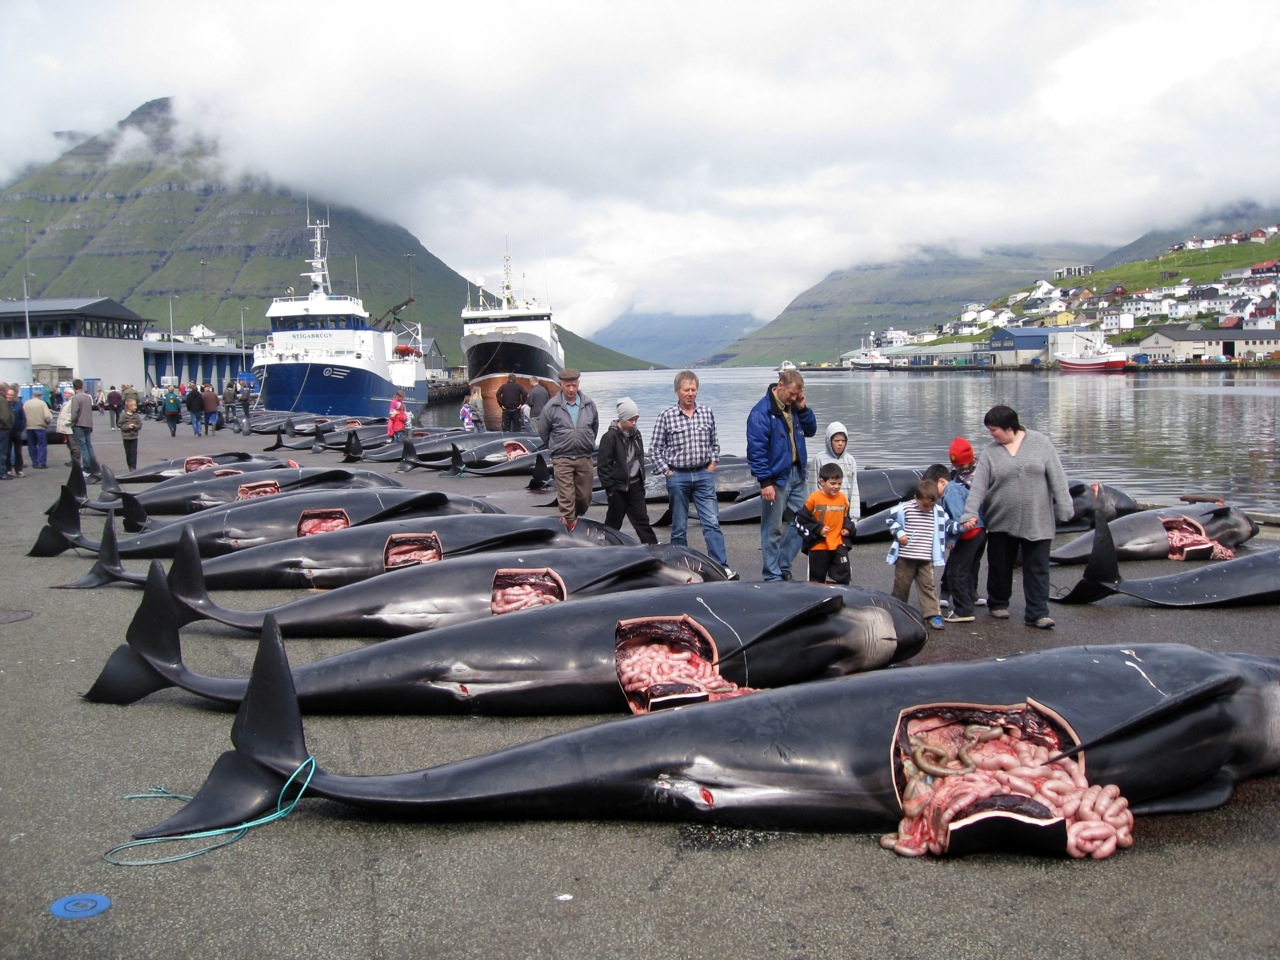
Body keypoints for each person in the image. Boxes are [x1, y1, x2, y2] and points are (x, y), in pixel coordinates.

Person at [960, 404, 1072, 630]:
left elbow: (1057, 477)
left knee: (1037, 566)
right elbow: (979, 487)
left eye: (993, 430)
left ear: (1008, 427)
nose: (990, 434)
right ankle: (998, 602)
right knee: (1000, 565)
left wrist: (1065, 506)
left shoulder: (1041, 443)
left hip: (1038, 518)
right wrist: (970, 513)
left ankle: (1038, 613)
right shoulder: (991, 453)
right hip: (1001, 519)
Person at [649, 370, 734, 578]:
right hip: (678, 476)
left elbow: (714, 442)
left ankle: (721, 566)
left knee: (712, 522)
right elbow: (654, 449)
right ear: (677, 391)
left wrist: (713, 462)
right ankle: (680, 568)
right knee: (679, 525)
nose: (690, 393)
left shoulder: (707, 412)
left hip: (704, 474)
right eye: (686, 390)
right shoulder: (666, 416)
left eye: (694, 389)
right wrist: (667, 471)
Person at [746, 368, 817, 581]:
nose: (794, 398)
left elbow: (811, 430)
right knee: (772, 528)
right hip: (776, 478)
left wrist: (803, 409)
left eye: (798, 395)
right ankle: (772, 575)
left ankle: (783, 564)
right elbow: (756, 450)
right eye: (792, 394)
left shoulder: (795, 407)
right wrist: (764, 481)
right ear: (780, 386)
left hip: (797, 473)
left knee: (807, 520)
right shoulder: (761, 412)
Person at [886, 479, 955, 630]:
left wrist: (961, 526)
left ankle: (932, 615)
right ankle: (897, 611)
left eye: (931, 505)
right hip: (906, 556)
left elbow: (949, 524)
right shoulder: (905, 508)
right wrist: (900, 532)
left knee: (928, 585)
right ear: (916, 498)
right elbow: (890, 519)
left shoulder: (937, 511)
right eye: (925, 505)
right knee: (901, 585)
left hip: (925, 557)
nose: (928, 508)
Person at [536, 368, 598, 531]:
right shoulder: (551, 407)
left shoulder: (589, 405)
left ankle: (576, 518)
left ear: (578, 384)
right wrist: (556, 446)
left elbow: (594, 427)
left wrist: (586, 441)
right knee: (566, 497)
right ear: (561, 385)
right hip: (562, 458)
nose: (571, 389)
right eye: (567, 386)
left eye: (574, 385)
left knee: (584, 497)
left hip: (584, 457)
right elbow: (543, 432)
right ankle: (568, 527)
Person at [596, 397, 657, 544]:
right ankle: (605, 548)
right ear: (622, 418)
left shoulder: (636, 434)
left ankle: (653, 548)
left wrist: (641, 478)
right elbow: (603, 465)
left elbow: (639, 456)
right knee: (613, 522)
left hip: (635, 485)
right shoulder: (609, 437)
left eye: (636, 419)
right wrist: (610, 488)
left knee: (642, 520)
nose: (634, 423)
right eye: (631, 420)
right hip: (618, 487)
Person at [940, 438, 987, 623]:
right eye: (956, 465)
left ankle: (966, 602)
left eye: (962, 464)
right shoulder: (954, 477)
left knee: (964, 566)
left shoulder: (981, 473)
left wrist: (951, 539)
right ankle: (947, 591)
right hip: (973, 527)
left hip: (972, 527)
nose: (960, 468)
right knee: (958, 564)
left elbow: (960, 514)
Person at [799, 462, 852, 584]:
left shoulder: (843, 499)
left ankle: (840, 599)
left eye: (839, 484)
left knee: (843, 575)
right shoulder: (814, 499)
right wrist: (818, 530)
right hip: (819, 546)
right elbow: (802, 520)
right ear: (822, 482)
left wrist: (847, 528)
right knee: (816, 581)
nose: (836, 487)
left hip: (838, 543)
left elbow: (846, 518)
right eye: (832, 483)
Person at [807, 421, 860, 514]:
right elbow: (813, 487)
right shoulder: (818, 459)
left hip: (844, 507)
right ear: (829, 441)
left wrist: (854, 515)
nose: (840, 444)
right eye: (836, 441)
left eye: (843, 441)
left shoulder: (850, 460)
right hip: (824, 509)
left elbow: (854, 489)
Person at [68, 378, 101, 481]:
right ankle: (93, 466)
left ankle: (86, 469)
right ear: (82, 386)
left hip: (79, 425)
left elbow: (74, 413)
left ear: (74, 387)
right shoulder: (88, 397)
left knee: (83, 448)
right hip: (88, 424)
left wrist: (71, 423)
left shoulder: (75, 398)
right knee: (89, 446)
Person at [24, 387, 52, 469]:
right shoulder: (42, 403)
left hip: (29, 427)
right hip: (40, 427)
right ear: (40, 396)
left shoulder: (26, 403)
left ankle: (34, 462)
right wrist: (47, 422)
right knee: (41, 445)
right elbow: (47, 416)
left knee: (31, 445)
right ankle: (41, 463)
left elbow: (23, 414)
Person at [117, 396, 143, 472]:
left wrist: (135, 426)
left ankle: (133, 467)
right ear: (129, 407)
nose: (136, 407)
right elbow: (120, 425)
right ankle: (129, 465)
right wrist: (127, 427)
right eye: (134, 405)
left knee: (133, 452)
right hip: (126, 437)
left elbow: (140, 425)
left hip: (134, 437)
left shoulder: (136, 416)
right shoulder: (123, 415)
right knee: (128, 453)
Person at [7, 386, 26, 477]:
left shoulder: (19, 404)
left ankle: (19, 470)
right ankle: (8, 469)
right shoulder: (4, 404)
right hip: (6, 431)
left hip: (17, 431)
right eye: (8, 395)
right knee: (7, 451)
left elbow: (23, 417)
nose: (9, 396)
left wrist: (21, 428)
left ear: (14, 396)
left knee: (18, 452)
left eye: (11, 395)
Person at [56, 387, 78, 467]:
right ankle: (73, 460)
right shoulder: (68, 402)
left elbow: (72, 414)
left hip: (69, 428)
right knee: (70, 445)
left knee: (74, 446)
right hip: (67, 428)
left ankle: (76, 461)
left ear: (70, 394)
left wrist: (67, 422)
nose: (64, 394)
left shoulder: (72, 402)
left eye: (65, 393)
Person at [0, 382, 12, 479]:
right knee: (2, 452)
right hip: (2, 429)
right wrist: (8, 426)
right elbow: (5, 416)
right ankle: (2, 472)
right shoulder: (2, 400)